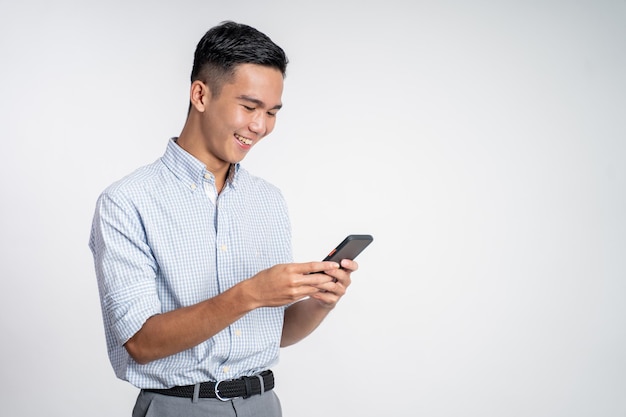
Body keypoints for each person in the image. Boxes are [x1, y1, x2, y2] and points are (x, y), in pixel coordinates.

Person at [89, 21, 358, 417]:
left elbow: (270, 333)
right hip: (177, 407)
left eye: (271, 112)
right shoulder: (127, 201)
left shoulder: (268, 200)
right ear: (200, 94)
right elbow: (142, 343)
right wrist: (252, 292)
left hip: (264, 405)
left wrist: (320, 302)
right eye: (249, 107)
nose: (260, 126)